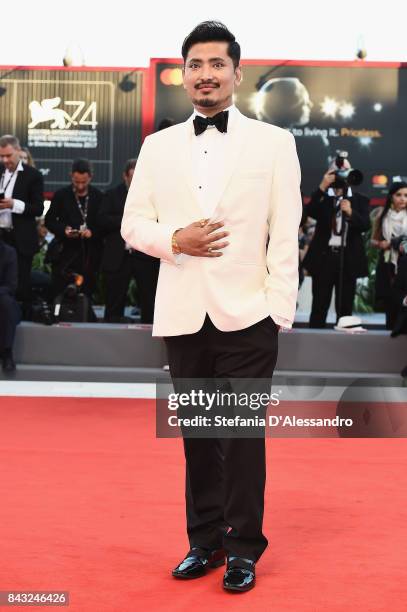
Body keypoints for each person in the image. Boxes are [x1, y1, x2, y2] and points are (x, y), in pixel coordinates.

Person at [121, 21, 302, 592]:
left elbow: (285, 231)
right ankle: (205, 542)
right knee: (200, 434)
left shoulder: (275, 144)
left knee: (242, 436)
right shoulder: (157, 146)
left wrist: (277, 308)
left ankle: (245, 547)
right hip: (183, 310)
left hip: (248, 313)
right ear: (184, 74)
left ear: (236, 74)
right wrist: (176, 240)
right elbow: (133, 225)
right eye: (196, 65)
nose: (206, 75)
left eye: (216, 64)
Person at [303, 168, 370, 327]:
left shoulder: (360, 200)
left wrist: (350, 212)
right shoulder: (324, 198)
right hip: (325, 257)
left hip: (348, 258)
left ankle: (344, 343)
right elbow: (308, 212)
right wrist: (322, 186)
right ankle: (314, 342)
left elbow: (365, 225)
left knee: (345, 306)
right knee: (319, 304)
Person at [99, 159, 159, 323]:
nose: (135, 180)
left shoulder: (152, 196)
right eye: (132, 177)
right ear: (125, 176)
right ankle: (110, 338)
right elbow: (102, 220)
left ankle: (150, 338)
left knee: (149, 300)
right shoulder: (111, 195)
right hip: (118, 256)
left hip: (145, 256)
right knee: (114, 301)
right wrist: (129, 221)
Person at [44, 159, 103, 300]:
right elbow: (49, 221)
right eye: (76, 182)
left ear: (90, 177)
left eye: (84, 182)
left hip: (89, 254)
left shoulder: (98, 196)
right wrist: (64, 230)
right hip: (65, 253)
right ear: (71, 177)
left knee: (86, 293)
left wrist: (92, 232)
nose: (80, 186)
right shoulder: (61, 195)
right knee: (60, 292)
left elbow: (103, 224)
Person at [0, 134, 44, 320]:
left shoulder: (33, 176)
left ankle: (20, 322)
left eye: (8, 155)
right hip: (1, 237)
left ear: (18, 151)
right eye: (1, 156)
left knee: (21, 282)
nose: (5, 160)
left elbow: (38, 208)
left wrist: (14, 205)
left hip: (20, 238)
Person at [371, 182, 407, 329]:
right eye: (399, 195)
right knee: (390, 304)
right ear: (391, 196)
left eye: (406, 195)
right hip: (388, 264)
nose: (403, 199)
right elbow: (373, 240)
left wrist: (394, 243)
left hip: (405, 266)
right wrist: (381, 244)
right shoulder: (382, 215)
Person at [0, 239, 20, 372]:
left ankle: (7, 353)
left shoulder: (9, 253)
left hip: (1, 296)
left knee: (6, 302)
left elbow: (11, 286)